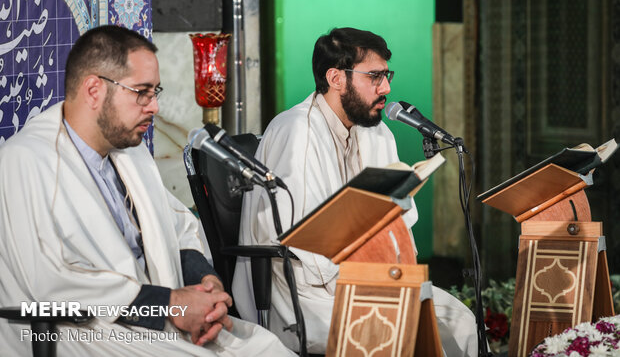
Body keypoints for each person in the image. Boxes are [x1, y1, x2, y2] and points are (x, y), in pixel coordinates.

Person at [0, 25, 294, 356]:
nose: (154, 107)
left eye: (156, 91)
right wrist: (174, 305)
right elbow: (52, 283)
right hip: (78, 334)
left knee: (267, 347)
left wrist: (207, 286)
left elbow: (178, 229)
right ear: (94, 90)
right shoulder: (25, 160)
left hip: (155, 321)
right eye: (142, 91)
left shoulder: (129, 152)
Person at [233, 27, 479, 355]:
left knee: (461, 321)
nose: (387, 87)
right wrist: (371, 276)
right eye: (375, 76)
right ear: (336, 78)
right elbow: (305, 241)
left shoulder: (376, 133)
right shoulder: (297, 133)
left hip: (365, 276)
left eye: (387, 75)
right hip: (303, 290)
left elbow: (401, 218)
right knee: (397, 324)